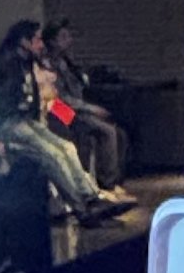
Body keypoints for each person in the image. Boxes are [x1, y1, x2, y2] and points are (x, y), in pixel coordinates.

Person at [0, 21, 128, 224]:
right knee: (73, 139)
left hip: (50, 110)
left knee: (89, 137)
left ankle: (95, 194)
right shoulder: (15, 64)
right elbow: (54, 98)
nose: (68, 41)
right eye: (63, 37)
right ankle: (90, 198)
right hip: (49, 110)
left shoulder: (56, 62)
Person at [43, 15, 128, 193]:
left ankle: (112, 178)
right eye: (63, 37)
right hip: (59, 108)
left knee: (118, 132)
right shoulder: (48, 64)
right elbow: (60, 98)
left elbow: (78, 87)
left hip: (75, 106)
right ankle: (107, 184)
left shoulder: (66, 61)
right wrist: (88, 109)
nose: (69, 41)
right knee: (105, 131)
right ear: (51, 41)